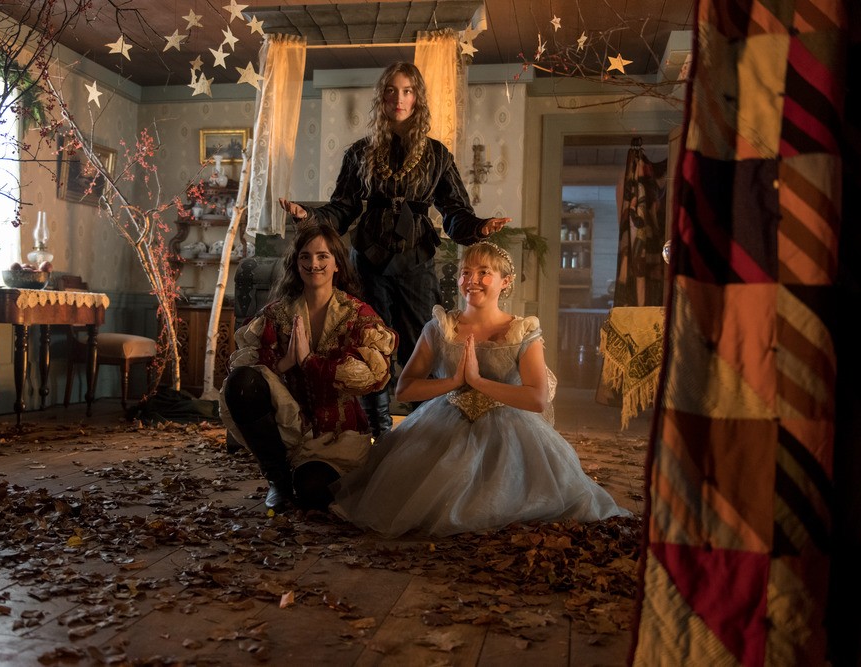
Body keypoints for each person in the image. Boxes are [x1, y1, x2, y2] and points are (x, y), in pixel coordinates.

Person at [329, 241, 630, 537]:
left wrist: (478, 381)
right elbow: (404, 390)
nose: (471, 280)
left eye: (484, 272)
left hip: (510, 430)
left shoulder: (522, 331)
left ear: (505, 281)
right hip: (444, 423)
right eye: (465, 272)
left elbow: (537, 398)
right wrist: (454, 382)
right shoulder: (440, 328)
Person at [279, 62, 510, 437]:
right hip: (368, 263)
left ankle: (426, 429)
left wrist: (479, 227)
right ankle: (377, 430)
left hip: (416, 262)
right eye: (390, 91)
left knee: (425, 344)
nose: (398, 99)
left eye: (406, 91)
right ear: (381, 97)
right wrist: (309, 216)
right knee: (368, 344)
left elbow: (455, 214)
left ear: (416, 98)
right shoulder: (360, 153)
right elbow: (343, 209)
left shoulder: (436, 155)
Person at [220, 223, 398, 512]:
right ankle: (277, 479)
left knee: (313, 492)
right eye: (305, 256)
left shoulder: (356, 315)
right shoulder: (278, 313)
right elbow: (244, 365)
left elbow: (371, 379)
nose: (313, 264)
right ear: (296, 263)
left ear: (337, 264)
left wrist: (310, 363)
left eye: (322, 256)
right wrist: (284, 364)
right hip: (288, 426)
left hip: (337, 437)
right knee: (241, 382)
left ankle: (308, 477)